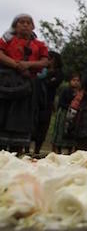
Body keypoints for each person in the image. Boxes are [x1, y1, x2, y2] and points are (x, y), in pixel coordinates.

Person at [0, 14, 49, 153]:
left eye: (28, 23)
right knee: (3, 116)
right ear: (15, 25)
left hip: (27, 86)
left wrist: (28, 64)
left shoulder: (39, 45)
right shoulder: (6, 40)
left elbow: (45, 61)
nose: (25, 25)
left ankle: (18, 151)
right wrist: (16, 65)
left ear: (33, 26)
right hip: (6, 84)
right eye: (22, 22)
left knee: (22, 119)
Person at [34, 50, 64, 154]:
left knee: (43, 126)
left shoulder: (58, 73)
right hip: (35, 101)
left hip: (47, 102)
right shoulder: (40, 70)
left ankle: (37, 150)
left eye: (50, 59)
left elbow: (51, 84)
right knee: (33, 124)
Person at [51, 72, 81, 154]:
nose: (76, 82)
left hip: (74, 115)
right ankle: (57, 151)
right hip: (64, 114)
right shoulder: (66, 90)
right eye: (74, 80)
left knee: (71, 134)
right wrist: (69, 107)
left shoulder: (80, 93)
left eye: (78, 80)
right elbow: (61, 102)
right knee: (61, 132)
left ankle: (70, 152)